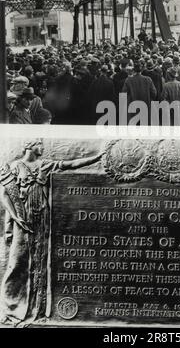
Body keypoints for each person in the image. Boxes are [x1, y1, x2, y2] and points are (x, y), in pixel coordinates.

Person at [0, 139, 104, 326]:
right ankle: (10, 307)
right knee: (16, 263)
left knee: (41, 262)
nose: (42, 147)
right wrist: (15, 218)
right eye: (39, 144)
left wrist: (96, 157)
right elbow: (5, 194)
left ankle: (36, 308)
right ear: (30, 146)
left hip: (42, 220)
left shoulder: (45, 165)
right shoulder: (14, 167)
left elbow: (71, 164)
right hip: (22, 221)